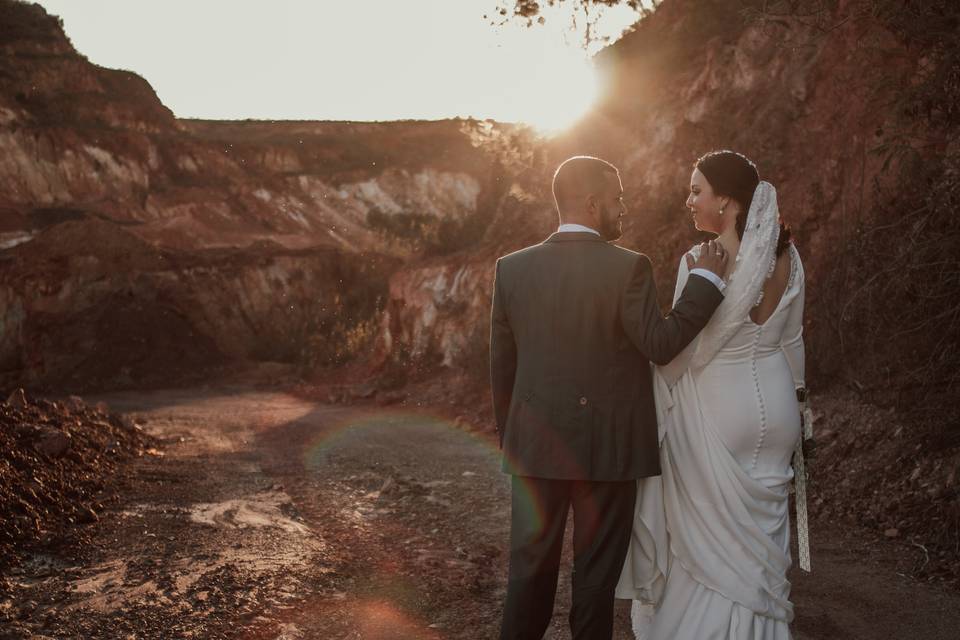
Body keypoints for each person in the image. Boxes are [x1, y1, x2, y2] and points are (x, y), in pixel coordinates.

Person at [489, 155, 728, 639]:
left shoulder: (510, 270)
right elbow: (660, 345)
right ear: (593, 203)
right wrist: (706, 284)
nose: (624, 209)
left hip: (534, 449)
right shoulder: (628, 268)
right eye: (617, 199)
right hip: (608, 453)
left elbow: (503, 372)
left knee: (527, 579)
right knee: (594, 586)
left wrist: (516, 439)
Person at [616, 150, 806, 640]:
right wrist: (803, 406)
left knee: (707, 541)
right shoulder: (789, 257)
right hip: (779, 405)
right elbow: (792, 340)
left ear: (726, 199)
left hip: (720, 410)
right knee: (761, 540)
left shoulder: (701, 262)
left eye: (697, 190)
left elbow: (682, 349)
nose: (690, 200)